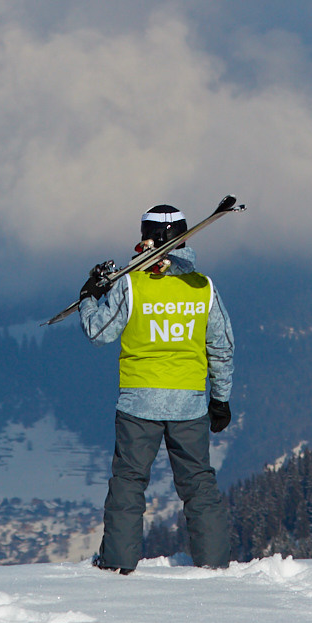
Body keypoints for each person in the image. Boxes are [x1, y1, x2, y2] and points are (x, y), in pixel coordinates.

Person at [77, 203, 235, 572]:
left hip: (139, 403)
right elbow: (222, 346)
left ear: (152, 237)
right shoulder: (203, 288)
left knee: (129, 484)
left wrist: (89, 296)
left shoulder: (132, 284)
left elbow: (99, 332)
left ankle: (117, 562)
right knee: (198, 485)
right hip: (190, 404)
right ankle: (213, 564)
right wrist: (221, 399)